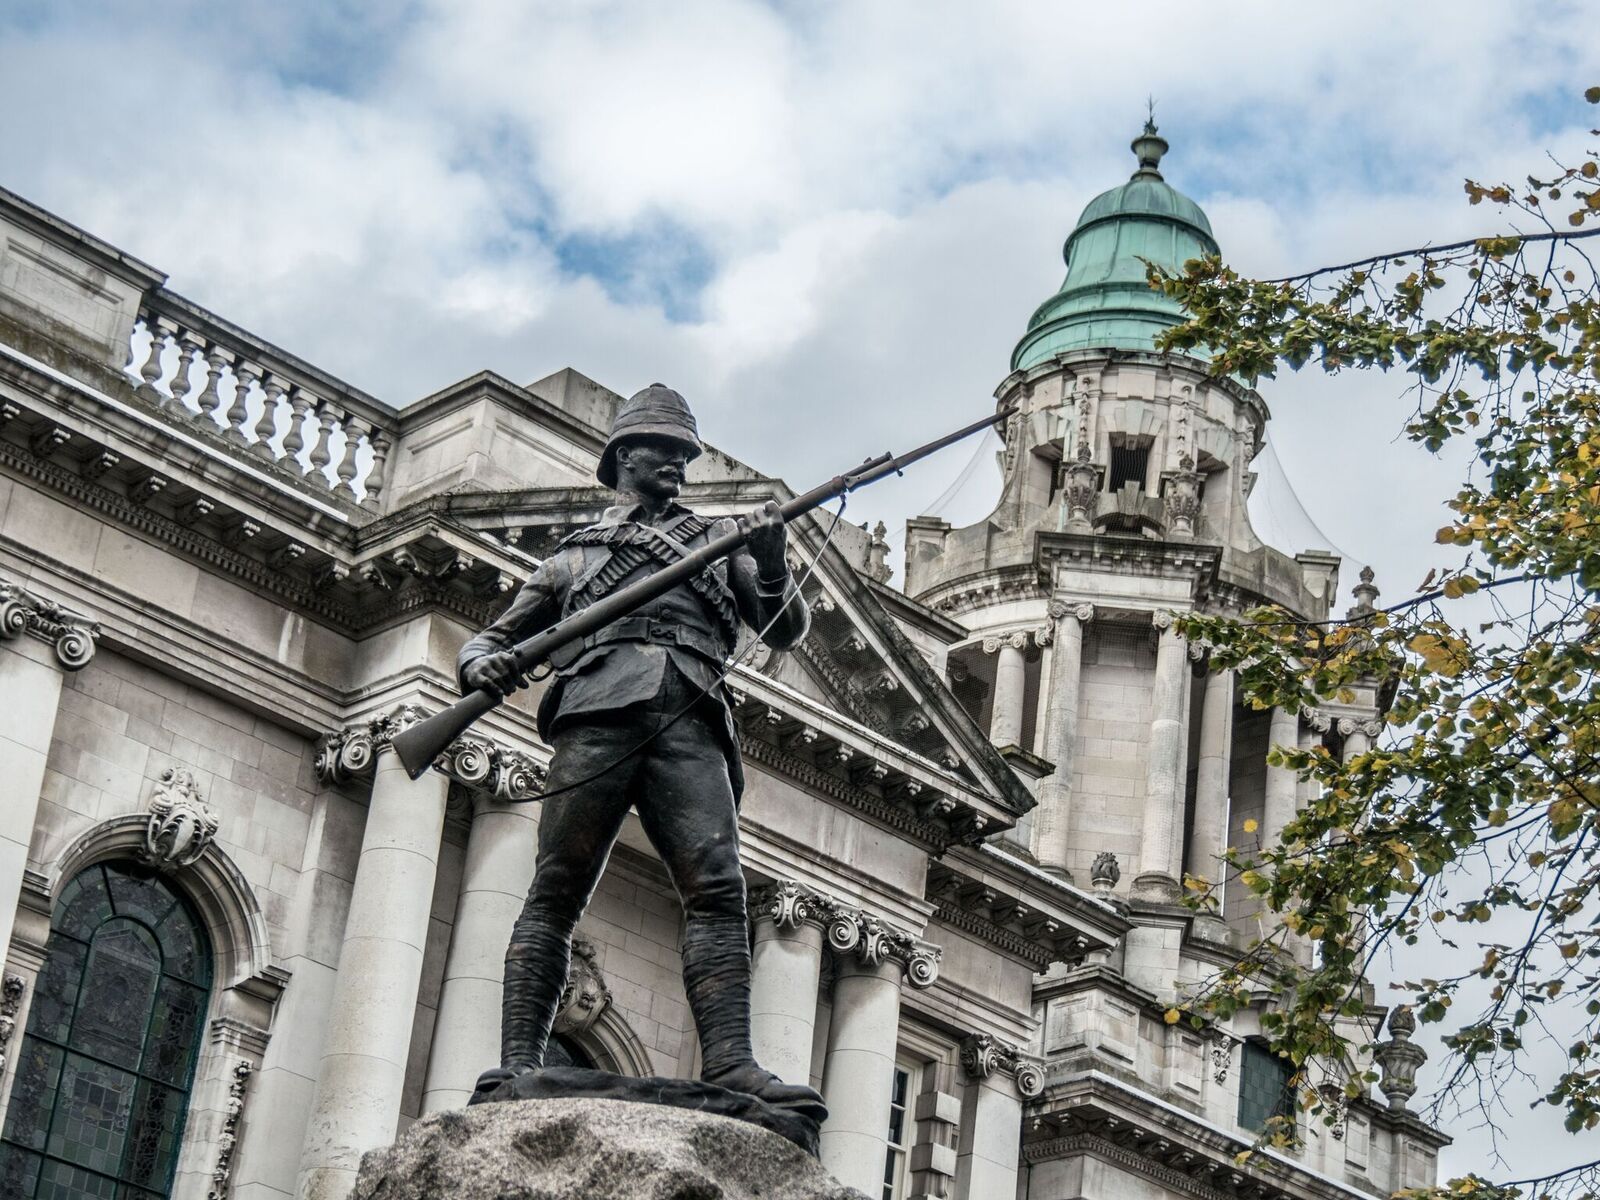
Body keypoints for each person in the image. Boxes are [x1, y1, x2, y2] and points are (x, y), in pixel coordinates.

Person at [458, 383, 825, 1117]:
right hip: (596, 715)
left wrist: (774, 558)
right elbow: (489, 641)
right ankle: (518, 1064)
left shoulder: (716, 547)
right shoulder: (573, 558)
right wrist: (481, 666)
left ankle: (730, 1062)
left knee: (717, 888)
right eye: (665, 452)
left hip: (689, 718)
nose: (679, 466)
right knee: (558, 888)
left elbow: (785, 630)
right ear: (626, 455)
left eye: (685, 455)